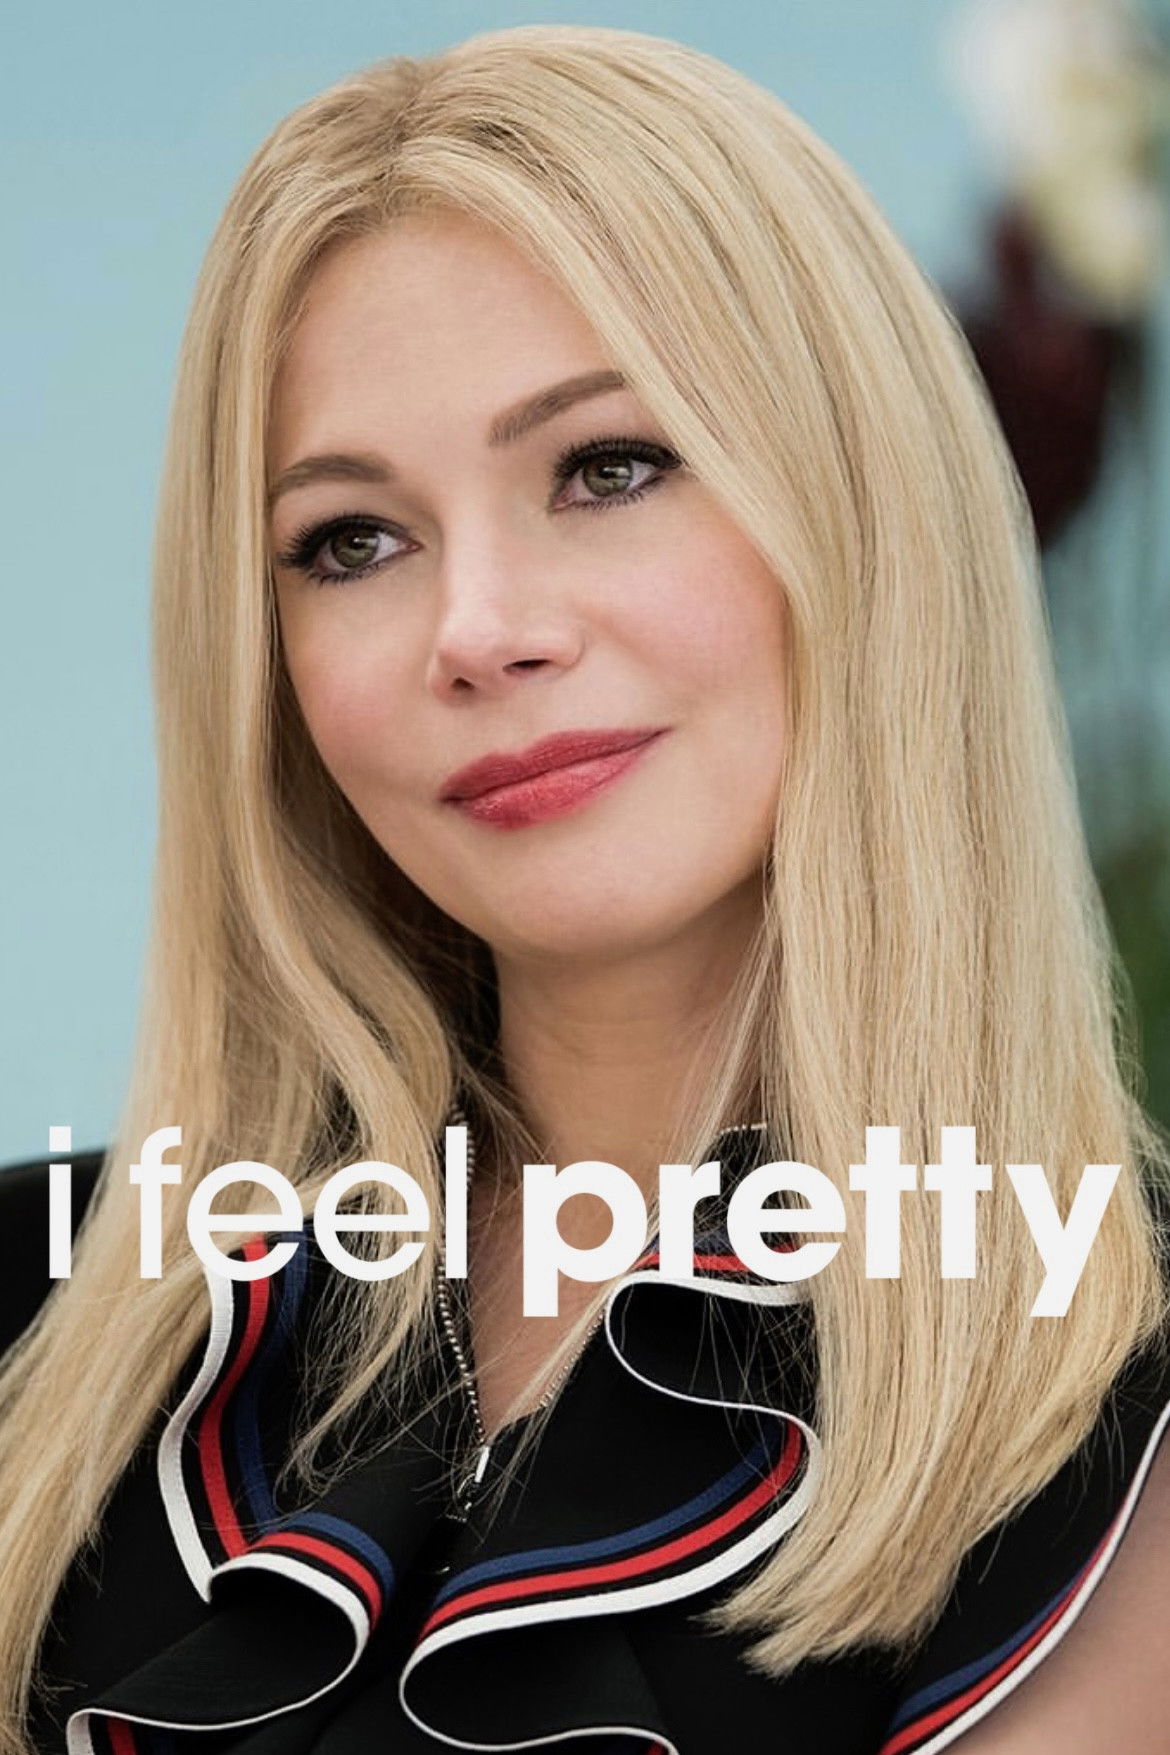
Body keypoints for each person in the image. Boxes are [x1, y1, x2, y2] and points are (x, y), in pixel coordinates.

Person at [1, 22, 1168, 1755]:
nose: (477, 630)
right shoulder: (35, 1334)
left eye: (607, 466)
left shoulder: (1123, 1427)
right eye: (351, 541)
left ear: (863, 511)